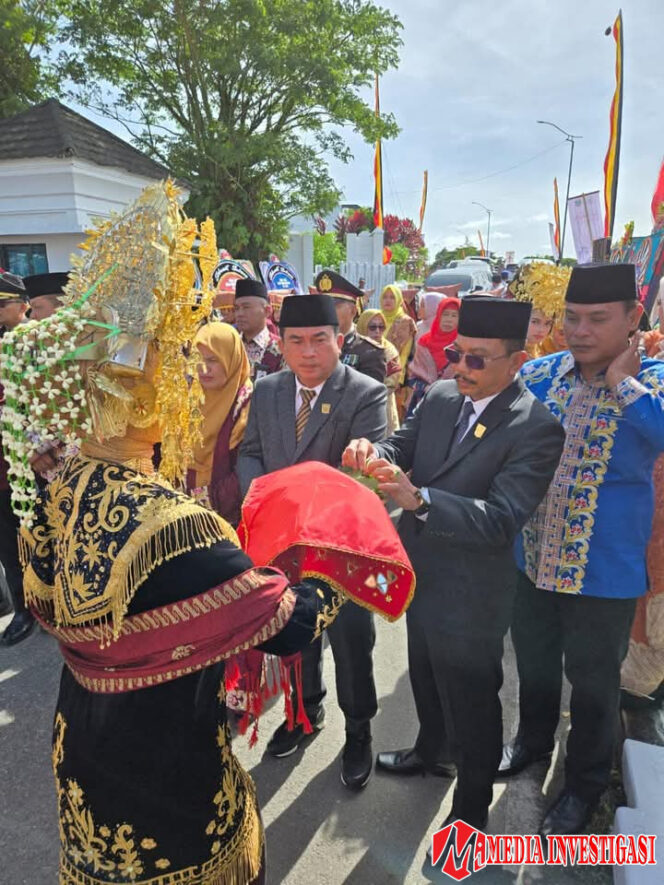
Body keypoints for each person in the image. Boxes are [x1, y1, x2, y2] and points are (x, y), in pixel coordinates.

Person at [4, 182, 394, 885]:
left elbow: (36, 598)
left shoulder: (60, 488)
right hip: (168, 783)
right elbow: (289, 624)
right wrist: (336, 533)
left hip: (84, 759)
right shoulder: (174, 525)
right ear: (158, 391)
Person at [343, 295, 565, 837]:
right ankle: (430, 750)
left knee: (472, 697)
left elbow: (501, 518)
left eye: (476, 359)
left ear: (517, 361)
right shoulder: (441, 395)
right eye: (456, 354)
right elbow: (401, 444)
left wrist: (420, 500)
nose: (459, 368)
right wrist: (371, 452)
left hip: (473, 590)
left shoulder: (536, 428)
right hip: (421, 569)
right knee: (422, 670)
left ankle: (469, 812)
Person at [500, 263, 664, 837]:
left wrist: (623, 381)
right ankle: (531, 744)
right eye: (572, 317)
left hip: (606, 572)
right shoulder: (544, 374)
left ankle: (584, 787)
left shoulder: (655, 382)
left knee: (594, 688)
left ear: (632, 319)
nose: (581, 330)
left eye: (598, 319)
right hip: (534, 558)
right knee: (535, 666)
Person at [237, 293, 387, 790]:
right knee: (295, 635)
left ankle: (359, 729)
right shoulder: (269, 389)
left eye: (319, 340)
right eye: (296, 341)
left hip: (337, 547)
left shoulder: (364, 393)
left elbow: (366, 476)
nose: (307, 352)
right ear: (281, 343)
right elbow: (251, 453)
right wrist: (263, 503)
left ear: (338, 341)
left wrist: (307, 512)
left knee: (351, 641)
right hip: (282, 544)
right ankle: (305, 714)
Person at [186, 323, 252, 525]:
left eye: (213, 360)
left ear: (231, 359)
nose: (204, 369)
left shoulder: (247, 405)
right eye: (198, 359)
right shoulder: (189, 398)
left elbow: (244, 474)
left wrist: (204, 504)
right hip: (181, 517)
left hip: (227, 522)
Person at [0, 272, 34, 645]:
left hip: (31, 459)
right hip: (3, 462)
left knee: (40, 533)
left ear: (23, 305)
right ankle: (22, 609)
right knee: (7, 542)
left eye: (2, 304)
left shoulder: (38, 341)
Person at [314, 269, 386, 384]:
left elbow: (369, 397)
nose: (328, 311)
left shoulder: (369, 351)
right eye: (323, 305)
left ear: (353, 311)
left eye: (335, 306)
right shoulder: (312, 345)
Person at [406, 296, 460, 415]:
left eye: (454, 315)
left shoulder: (463, 345)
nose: (448, 320)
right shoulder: (424, 342)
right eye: (445, 314)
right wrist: (427, 388)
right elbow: (413, 376)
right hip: (424, 401)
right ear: (439, 315)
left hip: (454, 403)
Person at [510, 263, 571, 359]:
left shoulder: (540, 354)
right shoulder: (508, 354)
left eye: (547, 323)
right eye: (535, 322)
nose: (541, 330)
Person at [356, 308, 401, 434]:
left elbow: (392, 382)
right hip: (354, 405)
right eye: (372, 327)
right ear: (363, 326)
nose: (377, 331)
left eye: (381, 327)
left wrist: (372, 396)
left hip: (382, 404)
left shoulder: (389, 351)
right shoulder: (352, 347)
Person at [233, 278, 284, 382]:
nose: (239, 314)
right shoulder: (230, 347)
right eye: (237, 308)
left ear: (267, 311)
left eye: (246, 307)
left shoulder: (282, 349)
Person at [380, 284, 417, 420]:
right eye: (385, 297)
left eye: (392, 297)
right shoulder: (376, 318)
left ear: (399, 300)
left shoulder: (405, 322)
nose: (388, 301)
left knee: (393, 416)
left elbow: (405, 354)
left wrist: (397, 379)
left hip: (395, 378)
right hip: (374, 374)